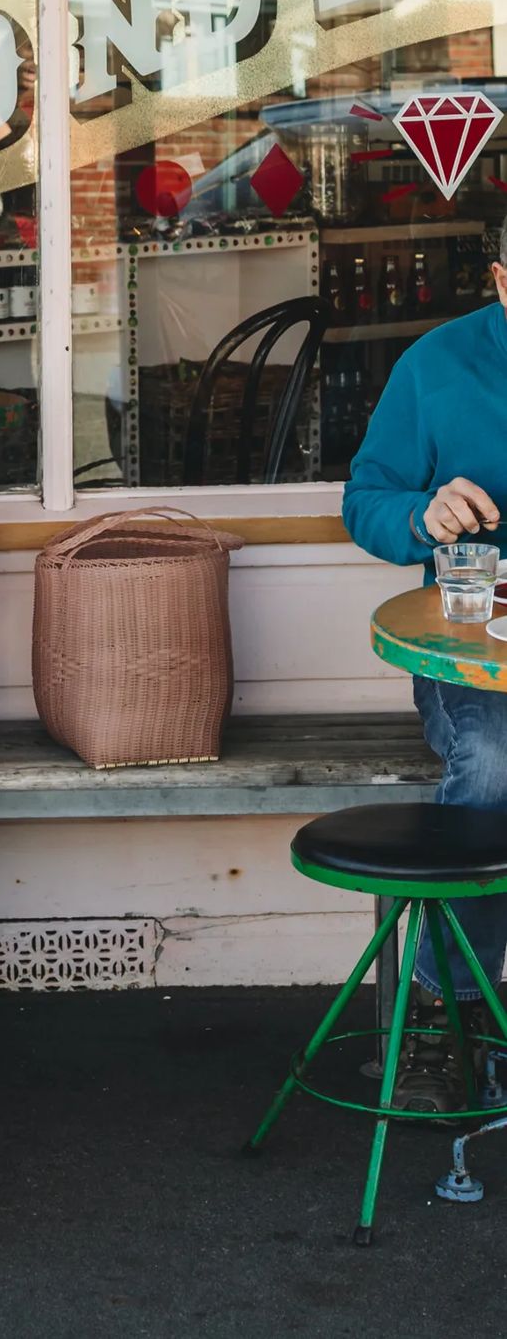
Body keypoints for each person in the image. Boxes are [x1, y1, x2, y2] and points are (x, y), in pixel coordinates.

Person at [342, 216, 507, 1114]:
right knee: (491, 763)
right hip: (471, 652)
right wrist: (424, 517)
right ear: (501, 280)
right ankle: (448, 1011)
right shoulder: (439, 365)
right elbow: (365, 498)